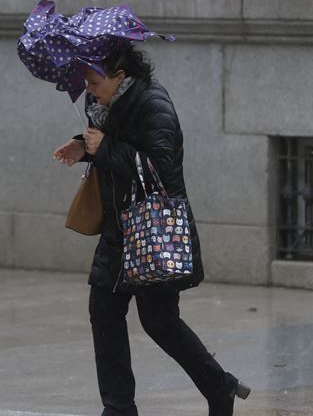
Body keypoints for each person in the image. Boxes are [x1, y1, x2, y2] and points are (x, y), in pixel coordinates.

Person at [53, 41, 250, 416]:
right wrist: (84, 145)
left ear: (120, 76)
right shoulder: (102, 106)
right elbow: (112, 149)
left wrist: (104, 147)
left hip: (151, 229)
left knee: (159, 320)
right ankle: (118, 408)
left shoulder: (154, 103)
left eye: (94, 81)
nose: (88, 90)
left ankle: (219, 386)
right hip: (118, 230)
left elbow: (163, 169)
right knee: (104, 312)